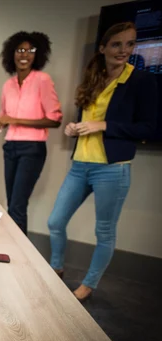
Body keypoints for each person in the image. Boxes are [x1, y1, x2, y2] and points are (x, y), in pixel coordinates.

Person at [47, 22, 158, 301]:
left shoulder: (142, 81)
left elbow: (149, 129)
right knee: (55, 221)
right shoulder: (93, 78)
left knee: (104, 231)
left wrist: (104, 125)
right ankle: (56, 268)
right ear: (103, 48)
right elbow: (86, 120)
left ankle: (89, 284)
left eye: (130, 44)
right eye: (116, 44)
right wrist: (73, 128)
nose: (124, 50)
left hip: (112, 170)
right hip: (80, 165)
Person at [0, 31, 62, 235]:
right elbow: (4, 116)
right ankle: (16, 248)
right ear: (11, 54)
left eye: (30, 50)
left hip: (32, 149)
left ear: (38, 54)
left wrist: (15, 120)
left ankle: (19, 255)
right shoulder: (8, 85)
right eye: (20, 50)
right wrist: (1, 122)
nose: (25, 54)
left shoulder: (43, 79)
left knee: (17, 205)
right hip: (10, 147)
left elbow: (55, 119)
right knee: (12, 204)